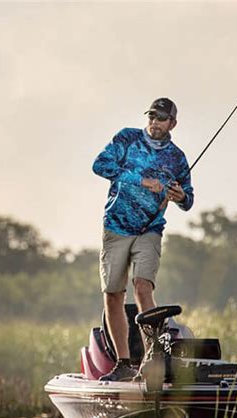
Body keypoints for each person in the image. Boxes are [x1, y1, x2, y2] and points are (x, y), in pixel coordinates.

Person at [92, 97, 194, 381]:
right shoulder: (126, 138)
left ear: (172, 123)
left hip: (150, 230)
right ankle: (123, 362)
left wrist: (180, 196)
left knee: (142, 287)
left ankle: (153, 358)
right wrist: (141, 180)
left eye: (161, 118)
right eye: (151, 116)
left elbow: (189, 200)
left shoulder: (177, 157)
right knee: (113, 294)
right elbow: (100, 166)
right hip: (116, 228)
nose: (154, 122)